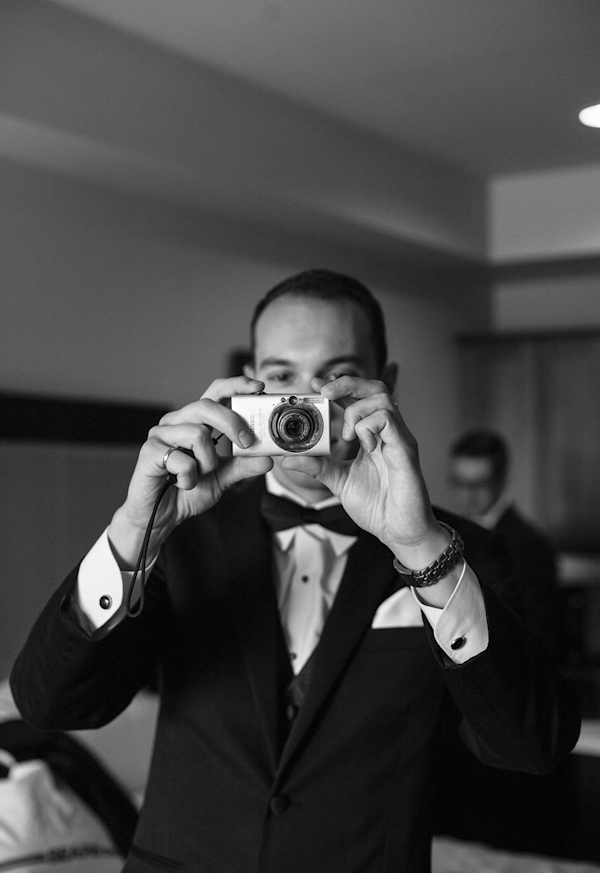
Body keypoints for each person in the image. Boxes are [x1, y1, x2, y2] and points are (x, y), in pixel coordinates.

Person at [10, 270, 579, 873]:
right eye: (281, 376)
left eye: (336, 375)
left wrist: (419, 549)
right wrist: (133, 528)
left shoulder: (462, 551)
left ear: (385, 384)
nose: (304, 403)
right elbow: (50, 705)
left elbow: (532, 747)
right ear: (248, 384)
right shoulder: (181, 533)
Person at [448, 429, 559, 654]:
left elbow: (535, 632)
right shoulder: (454, 534)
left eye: (479, 484)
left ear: (501, 479)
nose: (468, 495)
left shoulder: (529, 545)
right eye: (460, 483)